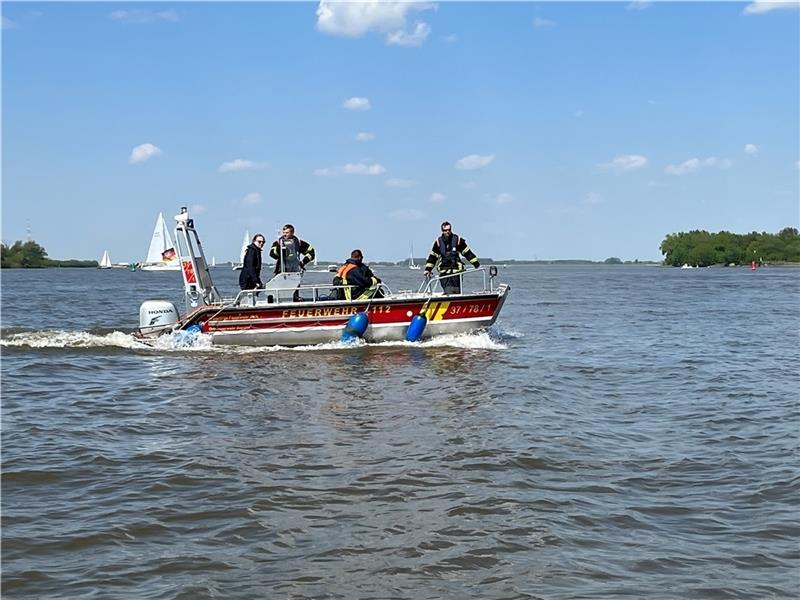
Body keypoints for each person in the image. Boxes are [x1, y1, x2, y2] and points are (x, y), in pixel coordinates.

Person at [424, 221, 480, 295]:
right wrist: (428, 269)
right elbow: (432, 257)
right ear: (442, 231)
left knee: (456, 291)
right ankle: (447, 303)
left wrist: (476, 264)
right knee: (448, 291)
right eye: (445, 230)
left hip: (456, 271)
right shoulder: (438, 242)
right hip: (444, 272)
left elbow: (467, 253)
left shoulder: (458, 240)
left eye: (449, 230)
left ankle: (455, 304)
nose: (447, 232)